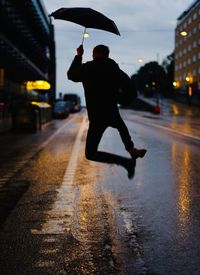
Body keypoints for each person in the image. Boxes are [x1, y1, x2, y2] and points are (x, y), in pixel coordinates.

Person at [67, 44, 146, 176]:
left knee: (91, 153)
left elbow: (71, 75)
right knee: (120, 125)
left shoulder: (88, 68)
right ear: (107, 55)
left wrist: (79, 55)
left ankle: (125, 162)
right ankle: (131, 149)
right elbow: (131, 89)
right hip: (111, 111)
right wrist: (121, 100)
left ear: (94, 54)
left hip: (96, 115)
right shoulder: (115, 69)